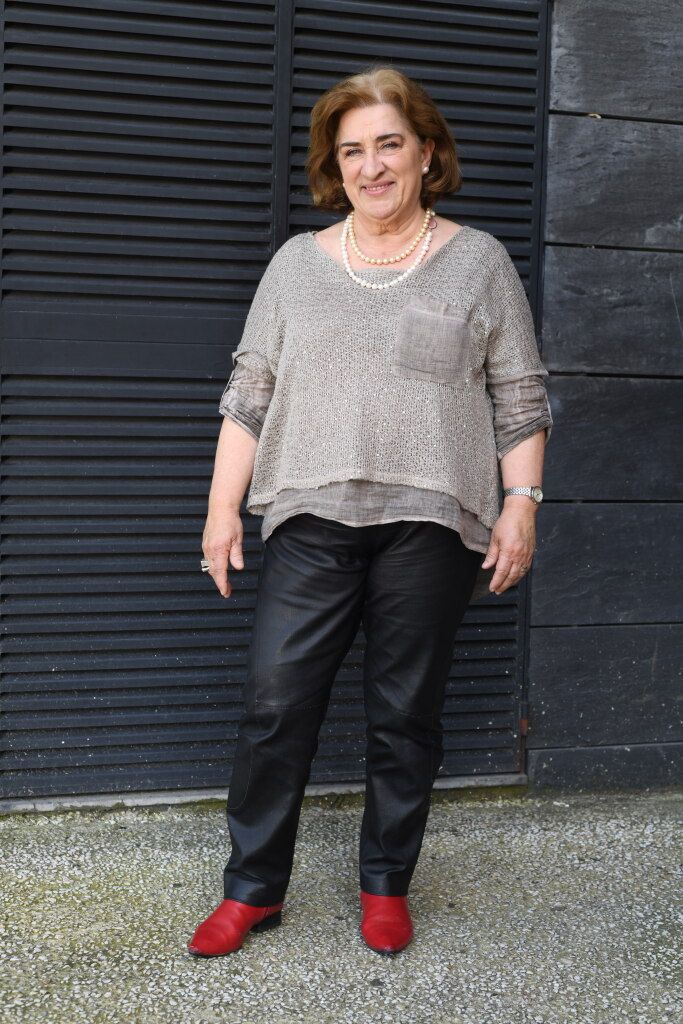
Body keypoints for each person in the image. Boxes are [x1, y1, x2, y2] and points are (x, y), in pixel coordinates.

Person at [188, 66, 553, 959]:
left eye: (389, 144)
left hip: (430, 523)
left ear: (426, 153)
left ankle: (385, 884)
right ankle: (252, 889)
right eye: (351, 150)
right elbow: (249, 394)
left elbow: (519, 398)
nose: (371, 165)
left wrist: (521, 506)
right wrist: (221, 510)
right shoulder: (295, 266)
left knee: (405, 713)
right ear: (334, 166)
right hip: (310, 514)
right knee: (275, 704)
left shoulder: (478, 261)